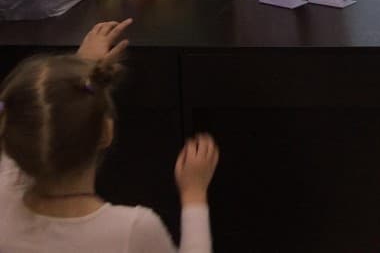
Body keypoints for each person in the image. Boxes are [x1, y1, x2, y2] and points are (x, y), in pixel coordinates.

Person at [0, 19, 218, 252]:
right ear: (107, 131)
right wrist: (194, 194)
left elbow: (28, 129)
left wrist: (82, 67)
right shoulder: (132, 231)